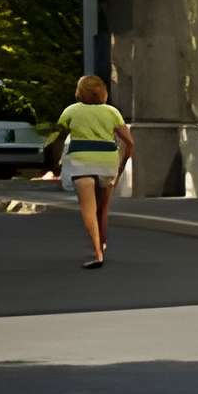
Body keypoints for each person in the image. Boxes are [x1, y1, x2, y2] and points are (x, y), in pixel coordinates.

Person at [53, 76, 134, 268]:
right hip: (107, 162)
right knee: (103, 208)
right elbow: (130, 142)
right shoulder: (112, 112)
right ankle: (103, 244)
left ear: (79, 92)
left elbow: (57, 137)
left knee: (88, 210)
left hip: (81, 162)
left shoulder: (70, 111)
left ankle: (98, 253)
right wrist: (122, 164)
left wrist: (56, 162)